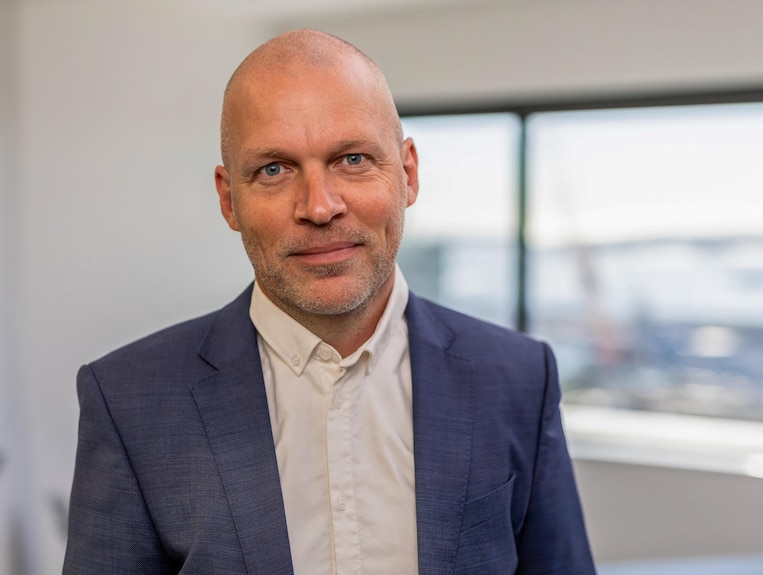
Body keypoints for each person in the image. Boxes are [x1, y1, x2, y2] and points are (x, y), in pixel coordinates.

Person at [63, 29, 596, 575]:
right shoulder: (127, 400)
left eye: (353, 158)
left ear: (407, 174)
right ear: (229, 200)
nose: (319, 207)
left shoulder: (520, 379)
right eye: (274, 169)